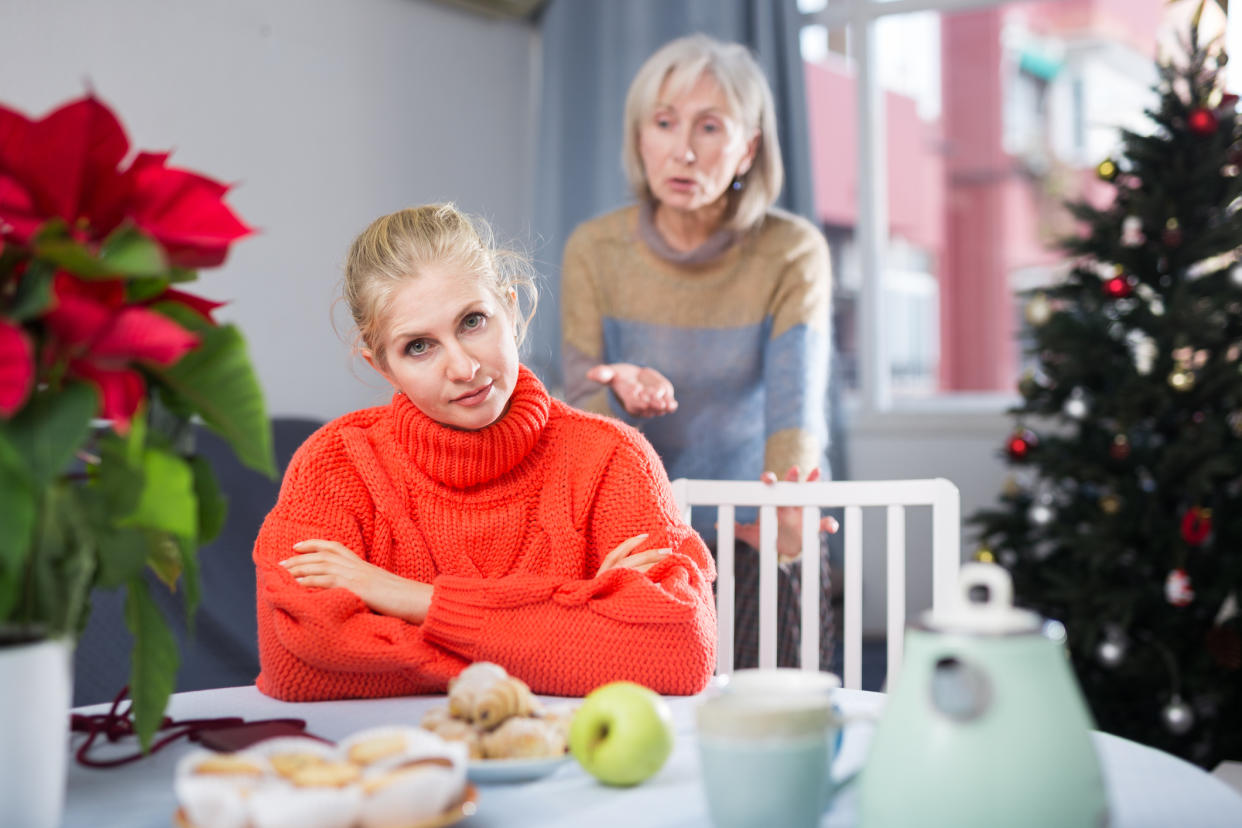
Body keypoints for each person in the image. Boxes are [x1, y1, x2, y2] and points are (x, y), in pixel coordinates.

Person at [253, 203, 717, 701]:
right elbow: (295, 665)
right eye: (418, 347)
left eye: (473, 321)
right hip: (395, 769)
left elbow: (680, 649)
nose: (462, 367)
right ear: (382, 366)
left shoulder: (613, 459)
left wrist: (410, 599)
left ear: (511, 310)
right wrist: (574, 620)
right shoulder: (334, 464)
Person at [561, 34, 835, 669]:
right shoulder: (594, 249)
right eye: (664, 123)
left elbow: (796, 414)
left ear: (748, 147)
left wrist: (784, 512)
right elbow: (581, 407)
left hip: (751, 514)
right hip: (633, 525)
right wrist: (615, 392)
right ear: (640, 139)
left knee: (778, 707)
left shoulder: (792, 251)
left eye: (710, 127)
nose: (683, 150)